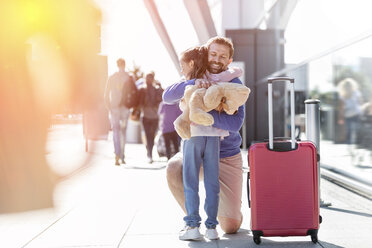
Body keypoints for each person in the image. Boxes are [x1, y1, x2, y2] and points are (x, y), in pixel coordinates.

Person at [163, 36, 245, 238]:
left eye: (222, 56)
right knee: (174, 168)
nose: (217, 59)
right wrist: (192, 84)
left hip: (227, 155)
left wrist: (199, 114)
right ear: (206, 55)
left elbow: (235, 123)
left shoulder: (233, 83)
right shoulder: (196, 75)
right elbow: (167, 96)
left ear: (229, 61)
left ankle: (222, 213)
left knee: (231, 227)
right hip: (197, 147)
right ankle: (193, 223)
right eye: (213, 54)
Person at [104, 58, 131, 165]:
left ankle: (117, 154)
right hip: (125, 108)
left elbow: (106, 94)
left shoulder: (112, 77)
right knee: (123, 132)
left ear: (117, 65)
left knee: (116, 131)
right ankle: (122, 155)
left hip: (114, 108)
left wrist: (109, 107)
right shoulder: (128, 77)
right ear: (124, 64)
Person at [138, 72, 164, 163]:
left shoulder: (152, 89)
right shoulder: (145, 90)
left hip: (149, 116)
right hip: (149, 116)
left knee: (150, 136)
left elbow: (139, 103)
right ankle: (149, 153)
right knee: (149, 136)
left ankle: (149, 153)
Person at [337, 78, 363, 145]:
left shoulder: (344, 95)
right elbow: (360, 103)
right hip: (354, 114)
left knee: (351, 130)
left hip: (351, 114)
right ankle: (353, 144)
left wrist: (340, 117)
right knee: (353, 130)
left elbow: (341, 109)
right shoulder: (354, 93)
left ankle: (352, 144)